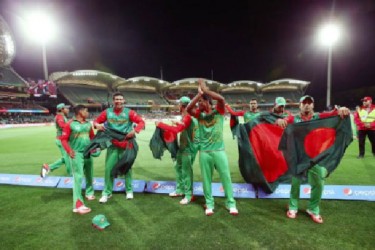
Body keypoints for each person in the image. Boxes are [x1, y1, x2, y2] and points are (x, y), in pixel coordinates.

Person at [277, 95, 350, 224]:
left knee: (319, 182)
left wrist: (342, 109)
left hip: (316, 157)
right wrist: (280, 121)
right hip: (299, 157)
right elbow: (284, 120)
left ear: (313, 105)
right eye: (304, 103)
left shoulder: (319, 117)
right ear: (299, 105)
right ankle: (293, 206)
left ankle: (313, 209)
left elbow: (334, 113)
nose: (307, 105)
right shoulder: (294, 119)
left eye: (309, 103)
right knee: (295, 183)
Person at [187, 79, 238, 216]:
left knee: (226, 177)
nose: (198, 104)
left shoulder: (218, 112)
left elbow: (221, 98)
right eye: (198, 103)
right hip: (204, 152)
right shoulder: (200, 115)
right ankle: (209, 204)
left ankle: (230, 203)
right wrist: (198, 95)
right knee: (206, 179)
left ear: (208, 102)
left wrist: (206, 90)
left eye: (201, 102)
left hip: (219, 151)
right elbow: (188, 109)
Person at [94, 92, 145, 203]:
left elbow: (141, 122)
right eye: (116, 99)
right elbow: (96, 122)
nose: (119, 101)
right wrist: (97, 125)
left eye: (121, 99)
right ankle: (107, 193)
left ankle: (129, 191)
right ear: (113, 101)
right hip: (112, 145)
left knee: (127, 168)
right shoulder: (107, 112)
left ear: (123, 101)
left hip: (126, 145)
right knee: (109, 169)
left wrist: (135, 130)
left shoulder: (129, 112)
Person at [156, 96, 198, 205]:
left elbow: (178, 130)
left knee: (186, 171)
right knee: (178, 167)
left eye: (179, 104)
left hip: (189, 148)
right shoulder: (186, 116)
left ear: (182, 106)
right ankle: (180, 190)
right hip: (183, 147)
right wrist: (176, 122)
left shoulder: (188, 116)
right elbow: (182, 127)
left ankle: (188, 195)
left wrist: (161, 124)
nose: (178, 106)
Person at [61, 105, 95, 214]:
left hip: (88, 152)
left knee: (89, 174)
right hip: (77, 154)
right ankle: (78, 204)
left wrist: (94, 148)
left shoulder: (88, 124)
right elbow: (64, 139)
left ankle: (89, 193)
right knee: (78, 177)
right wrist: (69, 150)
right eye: (86, 110)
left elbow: (92, 137)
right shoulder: (70, 124)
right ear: (80, 112)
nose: (88, 112)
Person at [41, 103, 72, 178]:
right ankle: (71, 175)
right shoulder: (60, 117)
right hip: (62, 140)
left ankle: (48, 167)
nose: (68, 110)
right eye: (66, 108)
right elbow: (62, 126)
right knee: (67, 158)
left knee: (66, 157)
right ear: (61, 109)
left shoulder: (61, 116)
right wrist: (71, 122)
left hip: (63, 139)